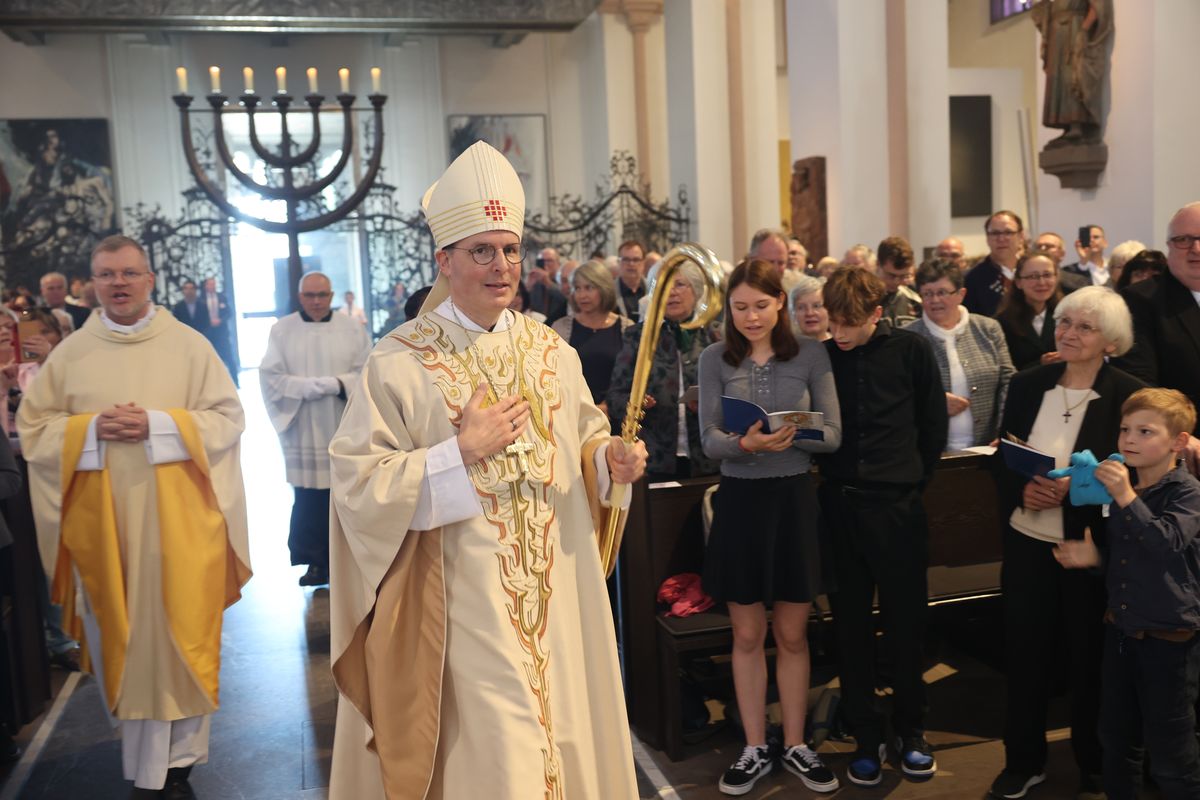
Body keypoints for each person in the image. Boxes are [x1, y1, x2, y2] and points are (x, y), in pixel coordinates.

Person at [326, 141, 646, 799]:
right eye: (481, 251)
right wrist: (457, 453)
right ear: (443, 260)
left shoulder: (551, 351)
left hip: (556, 593)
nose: (502, 267)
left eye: (509, 249)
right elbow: (358, 485)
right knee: (500, 756)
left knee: (559, 739)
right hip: (464, 603)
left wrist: (608, 462)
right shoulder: (398, 361)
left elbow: (585, 440)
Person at [17, 234, 251, 798]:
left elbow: (228, 418)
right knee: (124, 634)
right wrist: (90, 428)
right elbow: (34, 431)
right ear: (92, 283)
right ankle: (150, 763)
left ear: (149, 279)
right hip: (105, 531)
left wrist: (161, 426)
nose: (118, 283)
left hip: (182, 525)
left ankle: (183, 761)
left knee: (182, 633)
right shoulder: (71, 354)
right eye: (106, 274)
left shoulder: (190, 346)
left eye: (128, 273)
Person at [988, 285, 1145, 800]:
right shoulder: (1029, 383)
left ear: (1111, 341)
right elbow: (1002, 452)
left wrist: (1071, 492)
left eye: (1084, 327)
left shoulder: (1128, 394)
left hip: (1088, 547)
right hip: (1028, 539)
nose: (1070, 333)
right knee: (1025, 654)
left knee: (1090, 659)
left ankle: (1094, 762)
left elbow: (1135, 473)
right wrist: (1023, 487)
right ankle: (1023, 760)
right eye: (1064, 323)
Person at [698, 260, 842, 795]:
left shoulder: (809, 352)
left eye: (760, 305)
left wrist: (789, 434)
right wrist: (744, 444)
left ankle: (798, 744)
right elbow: (708, 437)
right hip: (741, 501)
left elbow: (832, 434)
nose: (751, 316)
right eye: (740, 307)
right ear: (728, 309)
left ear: (779, 303)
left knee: (791, 633)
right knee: (747, 633)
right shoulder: (715, 357)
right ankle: (755, 746)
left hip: (792, 499)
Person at [817, 267, 948, 787]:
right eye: (833, 322)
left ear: (877, 313)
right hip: (841, 507)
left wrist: (911, 485)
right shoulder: (823, 356)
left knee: (906, 624)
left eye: (849, 322)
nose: (840, 333)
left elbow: (931, 425)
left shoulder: (912, 351)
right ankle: (865, 735)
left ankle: (911, 731)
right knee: (849, 626)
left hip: (897, 507)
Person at [1054, 388, 1200, 800]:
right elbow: (1133, 558)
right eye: (1125, 429)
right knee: (1117, 739)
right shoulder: (1130, 489)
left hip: (1169, 640)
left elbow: (1166, 544)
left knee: (1172, 750)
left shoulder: (1187, 493)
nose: (1129, 439)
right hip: (1121, 631)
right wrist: (1096, 557)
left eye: (1145, 431)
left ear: (1177, 442)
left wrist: (1124, 496)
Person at [260, 272, 370, 587]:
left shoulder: (351, 328)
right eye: (310, 295)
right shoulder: (282, 330)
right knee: (309, 497)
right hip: (304, 424)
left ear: (332, 294)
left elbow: (367, 370)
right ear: (300, 296)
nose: (317, 301)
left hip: (342, 422)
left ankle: (350, 561)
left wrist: (338, 384)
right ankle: (316, 563)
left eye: (322, 295)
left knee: (346, 494)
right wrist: (305, 388)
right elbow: (270, 376)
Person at [608, 261, 719, 482]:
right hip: (654, 458)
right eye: (662, 286)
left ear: (696, 291)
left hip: (706, 457)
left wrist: (710, 404)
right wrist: (636, 404)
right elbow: (614, 397)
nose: (671, 293)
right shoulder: (637, 337)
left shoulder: (713, 337)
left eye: (679, 284)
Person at [1117, 202, 1200, 472]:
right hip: (1183, 452)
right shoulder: (1140, 299)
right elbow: (1141, 385)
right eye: (1183, 240)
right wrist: (1181, 434)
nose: (1196, 249)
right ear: (1169, 245)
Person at [904, 259, 1014, 450]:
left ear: (961, 294)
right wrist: (935, 402)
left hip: (987, 447)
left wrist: (1003, 431)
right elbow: (897, 393)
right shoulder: (907, 337)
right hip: (929, 451)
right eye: (928, 293)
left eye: (942, 292)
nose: (935, 300)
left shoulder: (988, 328)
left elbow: (1008, 382)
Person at [551, 260, 633, 414]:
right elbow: (554, 378)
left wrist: (607, 406)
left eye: (589, 288)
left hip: (616, 415)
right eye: (577, 288)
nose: (582, 295)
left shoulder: (627, 327)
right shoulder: (560, 328)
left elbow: (631, 378)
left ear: (604, 288)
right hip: (574, 414)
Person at [1031, 0, 1114, 147]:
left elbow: (1098, 6)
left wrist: (1084, 28)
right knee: (1059, 79)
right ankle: (1067, 125)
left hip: (1074, 29)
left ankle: (1077, 125)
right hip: (1056, 34)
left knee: (1074, 74)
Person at [996, 253, 1064, 370]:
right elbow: (1004, 372)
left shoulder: (1067, 316)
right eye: (1033, 276)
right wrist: (1040, 364)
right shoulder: (1002, 323)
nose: (1042, 283)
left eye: (1047, 275)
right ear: (1018, 282)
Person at [965, 210, 1025, 317]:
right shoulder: (971, 279)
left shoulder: (1032, 272)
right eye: (995, 233)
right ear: (987, 238)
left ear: (1021, 236)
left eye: (1008, 232)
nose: (1001, 239)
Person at [877, 236, 922, 327]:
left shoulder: (916, 298)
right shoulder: (862, 297)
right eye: (891, 275)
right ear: (878, 265)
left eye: (903, 276)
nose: (896, 282)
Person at [202, 276, 238, 386]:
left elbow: (229, 313)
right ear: (206, 286)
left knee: (229, 357)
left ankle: (235, 382)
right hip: (209, 334)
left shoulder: (222, 297)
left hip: (222, 333)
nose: (212, 286)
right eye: (209, 284)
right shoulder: (201, 300)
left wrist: (220, 321)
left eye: (213, 284)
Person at [613, 239, 648, 323]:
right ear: (619, 262)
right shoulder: (609, 292)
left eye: (636, 260)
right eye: (626, 259)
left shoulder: (653, 289)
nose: (631, 264)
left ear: (643, 263)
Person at [790, 275, 830, 341]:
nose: (809, 313)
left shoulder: (841, 346)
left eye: (816, 306)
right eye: (801, 307)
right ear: (793, 313)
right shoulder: (786, 349)